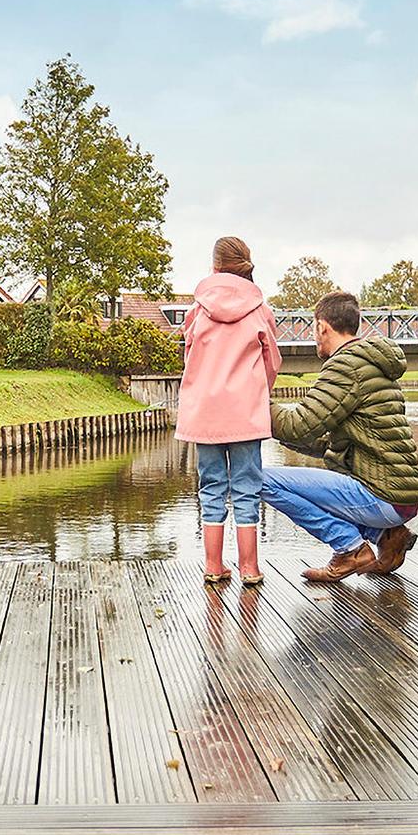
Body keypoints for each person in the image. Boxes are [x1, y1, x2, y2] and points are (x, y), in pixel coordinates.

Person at [263, 291, 418, 581]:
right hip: (401, 497)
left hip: (383, 496)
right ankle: (387, 536)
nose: (314, 337)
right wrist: (282, 435)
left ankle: (349, 548)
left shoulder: (345, 365)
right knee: (311, 486)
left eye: (314, 329)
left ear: (322, 326)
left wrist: (252, 401)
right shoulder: (370, 364)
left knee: (257, 479)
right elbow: (327, 442)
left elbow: (298, 425)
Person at [177, 236, 282, 586]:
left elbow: (189, 357)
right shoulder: (260, 310)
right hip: (245, 415)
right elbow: (272, 362)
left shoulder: (197, 310)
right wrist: (257, 392)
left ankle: (213, 565)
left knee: (211, 486)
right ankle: (249, 567)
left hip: (205, 413)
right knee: (247, 487)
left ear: (215, 266)